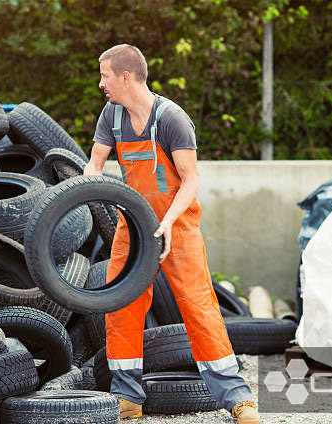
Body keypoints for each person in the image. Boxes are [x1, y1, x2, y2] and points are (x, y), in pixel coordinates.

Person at [83, 44, 260, 424]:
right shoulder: (112, 115)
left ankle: (236, 397)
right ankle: (128, 397)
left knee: (198, 306)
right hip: (133, 229)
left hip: (176, 226)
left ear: (126, 76)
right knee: (121, 305)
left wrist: (166, 222)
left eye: (105, 76)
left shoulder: (171, 118)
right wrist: (80, 195)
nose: (101, 84)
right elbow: (94, 165)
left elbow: (191, 179)